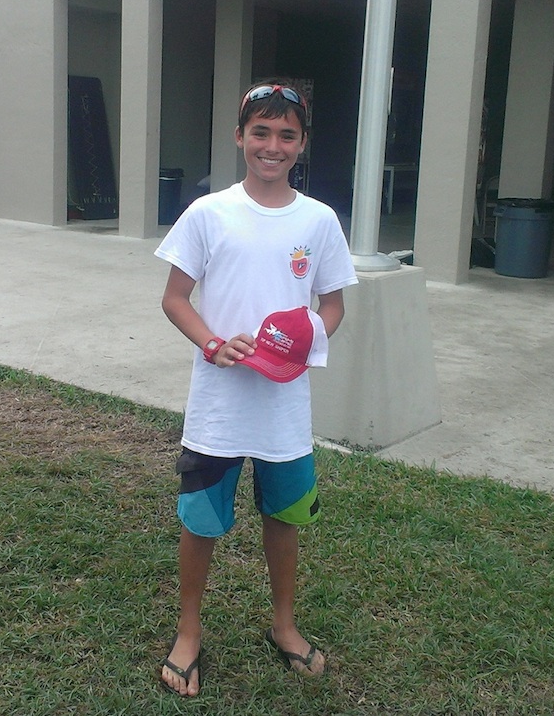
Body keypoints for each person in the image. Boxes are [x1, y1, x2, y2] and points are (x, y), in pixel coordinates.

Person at [154, 79, 358, 697]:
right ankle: (188, 631)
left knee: (284, 517)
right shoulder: (208, 213)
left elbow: (332, 306)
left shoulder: (318, 220)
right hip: (217, 409)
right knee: (201, 521)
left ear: (302, 144)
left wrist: (303, 337)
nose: (273, 146)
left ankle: (284, 625)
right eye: (261, 132)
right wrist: (213, 344)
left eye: (286, 135)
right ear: (239, 136)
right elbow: (175, 298)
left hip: (283, 410)